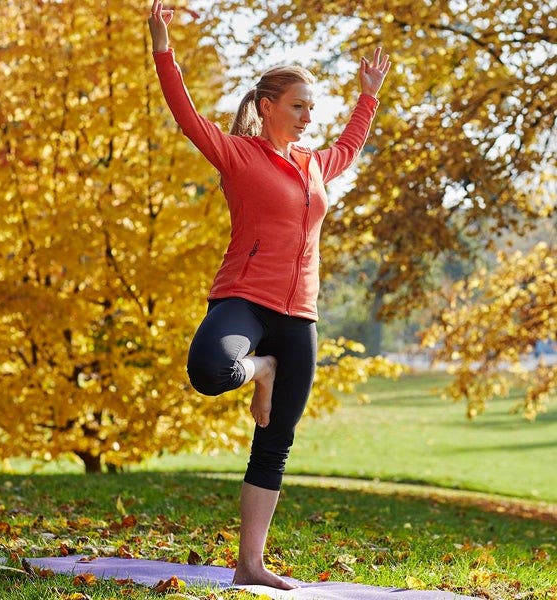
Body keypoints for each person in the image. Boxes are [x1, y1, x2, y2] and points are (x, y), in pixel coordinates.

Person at [147, 1, 391, 589]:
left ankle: (249, 563)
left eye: (313, 108)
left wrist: (368, 95)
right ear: (267, 107)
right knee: (208, 370)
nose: (309, 118)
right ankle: (261, 369)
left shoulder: (314, 165)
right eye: (299, 106)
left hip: (300, 314)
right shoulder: (237, 154)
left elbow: (352, 145)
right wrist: (163, 48)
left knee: (274, 442)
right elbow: (184, 115)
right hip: (244, 300)